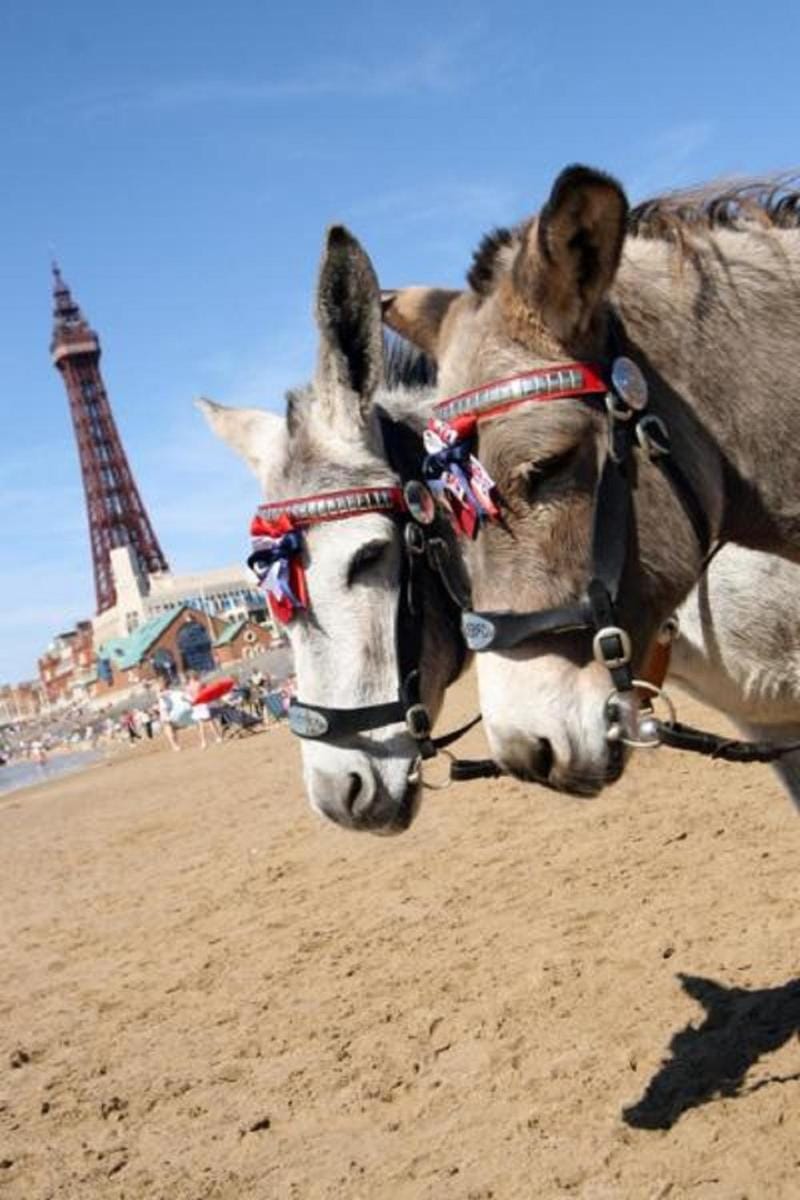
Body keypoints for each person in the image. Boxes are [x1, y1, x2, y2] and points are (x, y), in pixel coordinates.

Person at [155, 677, 195, 751]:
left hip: (169, 711)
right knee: (170, 729)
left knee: (171, 729)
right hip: (166, 711)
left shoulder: (167, 692)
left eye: (160, 683)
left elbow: (161, 696)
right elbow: (160, 696)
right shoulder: (165, 692)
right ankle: (175, 745)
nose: (158, 685)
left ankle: (175, 745)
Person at [185, 671, 222, 749]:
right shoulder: (199, 683)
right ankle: (217, 737)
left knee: (201, 724)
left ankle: (203, 742)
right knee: (210, 721)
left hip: (196, 705)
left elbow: (188, 698)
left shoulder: (188, 687)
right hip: (202, 703)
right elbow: (208, 690)